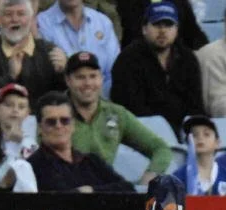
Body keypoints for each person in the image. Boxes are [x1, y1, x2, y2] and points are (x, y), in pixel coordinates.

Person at [65, 51, 173, 185]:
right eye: (80, 77)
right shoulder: (56, 113)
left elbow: (161, 149)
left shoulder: (116, 114)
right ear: (68, 81)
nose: (88, 83)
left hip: (104, 191)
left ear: (102, 79)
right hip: (66, 189)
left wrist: (149, 177)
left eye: (93, 76)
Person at [110, 1, 204, 133]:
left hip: (184, 133)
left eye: (168, 25)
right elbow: (130, 109)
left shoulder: (188, 59)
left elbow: (196, 107)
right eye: (157, 24)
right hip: (142, 134)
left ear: (177, 29)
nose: (163, 31)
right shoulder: (127, 60)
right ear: (144, 29)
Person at [27, 91, 135, 192]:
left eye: (65, 121)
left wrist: (91, 190)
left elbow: (128, 189)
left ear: (73, 125)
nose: (59, 126)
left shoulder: (91, 161)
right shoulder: (31, 167)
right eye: (51, 122)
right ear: (40, 128)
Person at [0, 0, 68, 109]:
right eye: (8, 14)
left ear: (31, 19)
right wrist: (9, 77)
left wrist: (64, 72)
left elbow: (65, 98)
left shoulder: (50, 52)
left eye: (21, 14)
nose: (15, 19)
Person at [38, 0, 123, 99]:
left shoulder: (102, 21)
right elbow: (47, 74)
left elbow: (114, 71)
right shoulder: (42, 23)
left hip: (105, 101)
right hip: (63, 103)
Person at [117, 0, 208, 51]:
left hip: (176, 58)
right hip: (139, 59)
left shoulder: (180, 2)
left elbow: (192, 32)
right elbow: (133, 31)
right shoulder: (128, 3)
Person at [170, 114, 222, 194]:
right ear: (188, 142)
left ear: (217, 143)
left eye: (206, 134)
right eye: (194, 135)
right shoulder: (177, 178)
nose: (200, 138)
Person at [0, 83, 38, 159]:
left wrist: (21, 141)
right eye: (9, 105)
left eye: (21, 107)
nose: (15, 110)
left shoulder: (31, 143)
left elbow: (34, 162)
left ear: (27, 113)